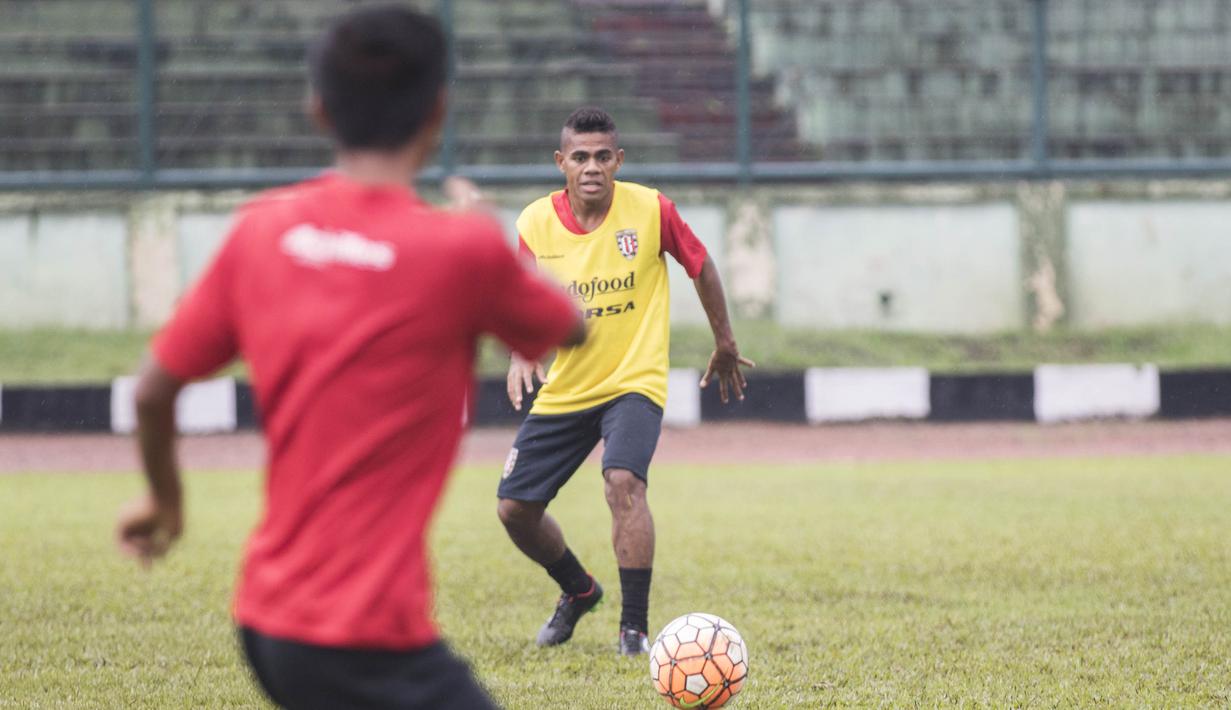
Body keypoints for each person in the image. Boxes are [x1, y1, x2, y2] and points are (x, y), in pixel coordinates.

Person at [114, 6, 583, 709]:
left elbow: (152, 391)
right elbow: (569, 326)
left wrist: (165, 502)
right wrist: (481, 222)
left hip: (266, 620)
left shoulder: (262, 231)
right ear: (438, 111)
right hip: (366, 636)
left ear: (317, 109)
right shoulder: (461, 250)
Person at [497, 107, 753, 656]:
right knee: (514, 510)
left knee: (623, 482)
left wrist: (725, 342)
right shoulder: (534, 224)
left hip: (632, 381)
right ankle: (578, 589)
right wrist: (522, 349)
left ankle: (633, 631)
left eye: (603, 156)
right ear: (561, 162)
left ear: (619, 161)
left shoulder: (650, 209)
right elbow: (519, 295)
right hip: (567, 387)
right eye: (581, 157)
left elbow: (701, 264)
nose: (592, 167)